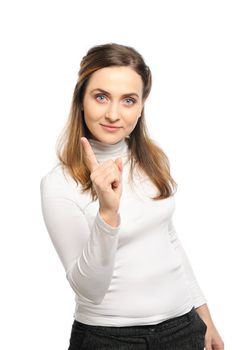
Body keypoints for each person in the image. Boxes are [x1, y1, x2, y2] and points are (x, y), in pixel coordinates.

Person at [40, 43, 224, 349]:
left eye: (128, 100)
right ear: (81, 100)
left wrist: (205, 317)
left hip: (184, 328)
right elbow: (90, 290)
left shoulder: (153, 161)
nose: (113, 114)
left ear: (141, 106)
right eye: (101, 97)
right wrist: (107, 214)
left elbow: (168, 241)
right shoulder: (59, 184)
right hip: (110, 339)